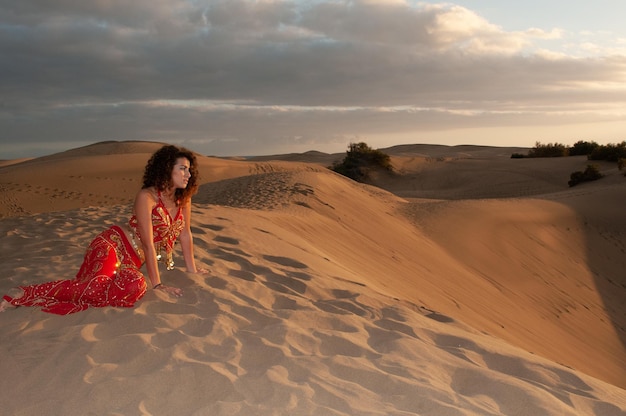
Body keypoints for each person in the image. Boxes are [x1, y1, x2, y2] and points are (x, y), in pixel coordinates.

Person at [0, 145, 208, 314]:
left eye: (189, 169)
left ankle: (100, 286)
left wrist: (192, 269)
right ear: (166, 169)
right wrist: (157, 285)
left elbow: (185, 234)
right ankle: (23, 293)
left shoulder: (183, 200)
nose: (188, 174)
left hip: (132, 262)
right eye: (182, 168)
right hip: (113, 246)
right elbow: (146, 242)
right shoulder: (147, 197)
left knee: (135, 285)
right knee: (93, 287)